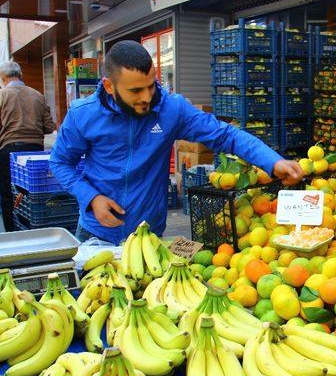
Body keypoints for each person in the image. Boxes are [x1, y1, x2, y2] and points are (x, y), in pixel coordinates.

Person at [50, 41, 303, 245]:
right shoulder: (82, 114)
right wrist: (91, 197)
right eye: (135, 91)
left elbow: (226, 135)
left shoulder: (172, 109)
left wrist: (273, 161)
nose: (147, 97)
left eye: (150, 86)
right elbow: (60, 162)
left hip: (149, 235)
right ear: (109, 86)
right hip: (96, 233)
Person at [0, 61, 56, 231]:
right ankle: (37, 227)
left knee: (6, 193)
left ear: (3, 77)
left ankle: (12, 231)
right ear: (20, 75)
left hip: (10, 150)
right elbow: (49, 127)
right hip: (35, 151)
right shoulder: (38, 95)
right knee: (36, 192)